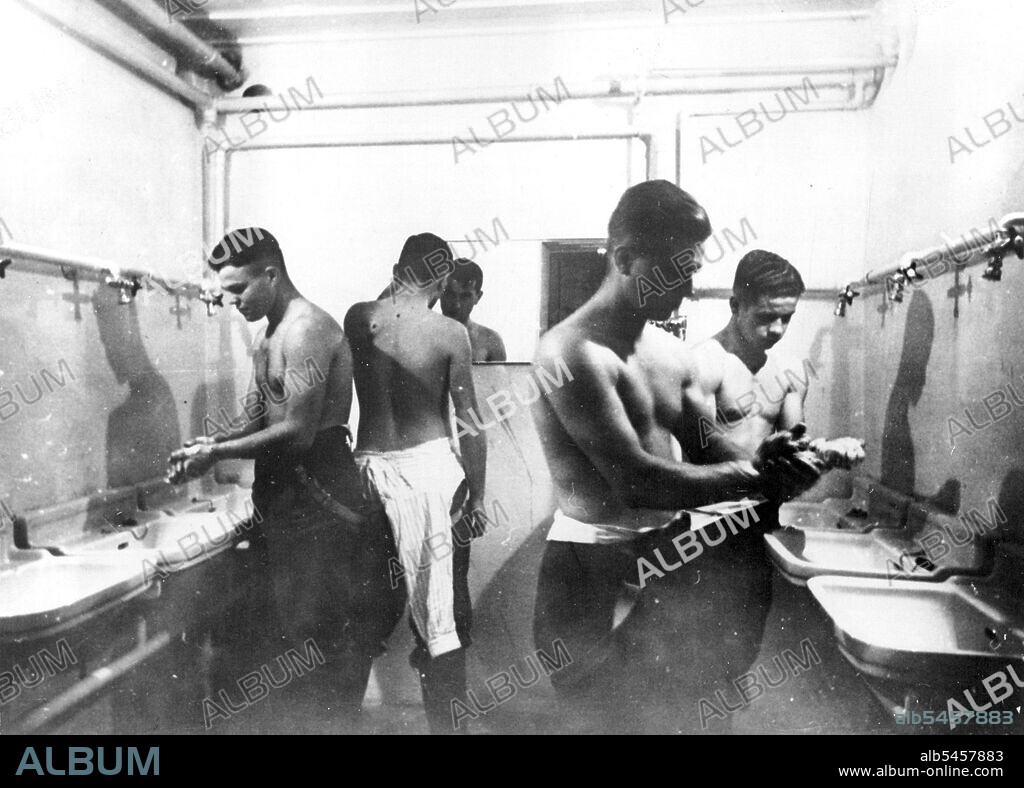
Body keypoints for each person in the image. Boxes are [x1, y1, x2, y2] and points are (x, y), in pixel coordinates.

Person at [530, 181, 822, 734]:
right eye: (677, 270)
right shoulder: (569, 353)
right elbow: (637, 482)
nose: (688, 289)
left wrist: (774, 460)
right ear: (624, 258)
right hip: (588, 567)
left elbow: (713, 447)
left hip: (665, 555)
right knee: (598, 722)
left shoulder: (669, 354)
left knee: (666, 718)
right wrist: (751, 474)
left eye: (692, 270)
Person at [169, 228, 401, 730]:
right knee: (290, 637)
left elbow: (296, 432)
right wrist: (204, 447)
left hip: (322, 494)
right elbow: (257, 417)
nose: (233, 302)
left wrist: (216, 453)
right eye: (226, 292)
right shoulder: (267, 335)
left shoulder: (306, 330)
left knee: (324, 643)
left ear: (271, 274)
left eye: (240, 289)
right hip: (284, 498)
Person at [344, 233, 488, 735]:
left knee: (364, 614)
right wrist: (480, 494)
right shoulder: (451, 332)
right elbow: (469, 420)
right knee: (445, 619)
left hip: (367, 467)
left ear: (395, 268)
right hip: (431, 474)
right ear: (445, 280)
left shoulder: (360, 317)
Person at [681, 249, 865, 470]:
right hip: (712, 503)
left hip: (766, 502)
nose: (778, 329)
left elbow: (794, 451)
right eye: (766, 317)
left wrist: (824, 453)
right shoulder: (703, 363)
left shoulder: (789, 371)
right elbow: (699, 451)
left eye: (786, 317)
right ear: (735, 306)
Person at [440, 260, 507, 362]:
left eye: (465, 297)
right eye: (451, 294)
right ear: (440, 291)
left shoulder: (491, 341)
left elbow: (498, 378)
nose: (456, 304)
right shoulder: (423, 333)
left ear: (478, 297)